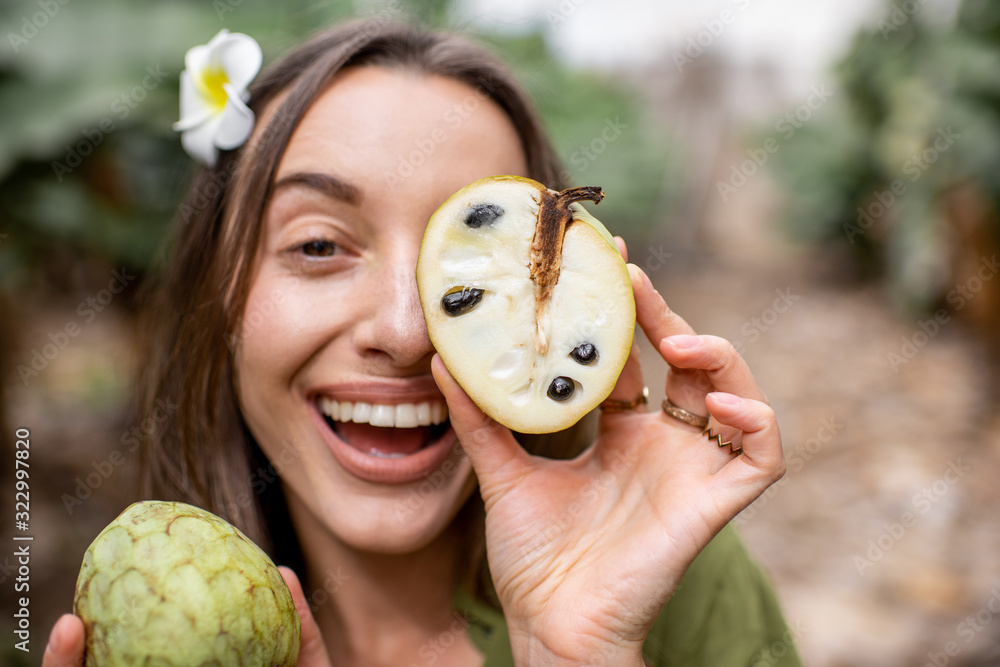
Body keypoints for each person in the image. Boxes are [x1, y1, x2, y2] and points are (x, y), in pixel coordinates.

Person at [43, 20, 800, 667]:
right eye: (317, 245)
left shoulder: (680, 580)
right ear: (218, 291)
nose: (405, 332)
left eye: (470, 264)